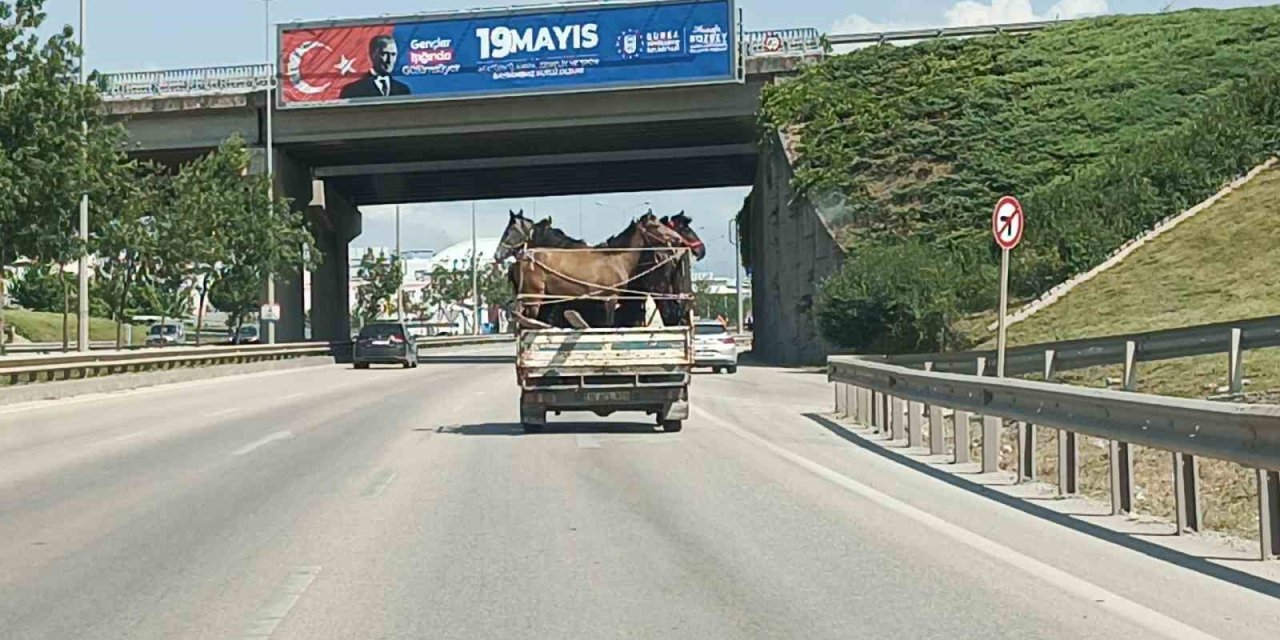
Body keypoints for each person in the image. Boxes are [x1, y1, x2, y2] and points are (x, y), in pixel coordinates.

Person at [340, 35, 411, 99]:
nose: (389, 60)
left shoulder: (403, 90)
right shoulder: (352, 91)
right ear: (372, 54)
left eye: (393, 54)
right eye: (384, 54)